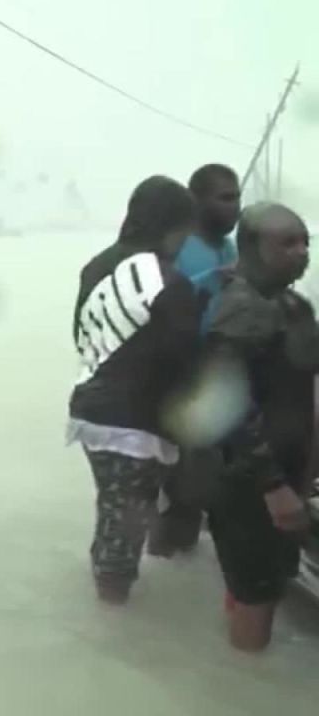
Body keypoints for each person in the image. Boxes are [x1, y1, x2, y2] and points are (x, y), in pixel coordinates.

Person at [66, 175, 202, 604]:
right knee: (124, 531)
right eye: (184, 230)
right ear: (171, 226)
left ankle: (108, 614)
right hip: (136, 427)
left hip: (89, 415)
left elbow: (81, 335)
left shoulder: (96, 265)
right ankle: (110, 618)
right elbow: (185, 363)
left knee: (114, 513)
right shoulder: (170, 281)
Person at [202, 203, 316, 652]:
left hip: (290, 471)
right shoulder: (239, 310)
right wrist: (275, 488)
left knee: (266, 582)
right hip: (249, 482)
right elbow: (229, 409)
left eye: (306, 241)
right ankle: (244, 683)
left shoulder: (292, 305)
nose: (302, 252)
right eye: (287, 243)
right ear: (251, 248)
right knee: (258, 595)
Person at [149, 164, 243, 557]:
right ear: (197, 202)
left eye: (237, 197)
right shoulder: (176, 249)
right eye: (225, 198)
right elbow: (156, 309)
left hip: (220, 376)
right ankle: (162, 557)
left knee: (213, 480)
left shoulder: (231, 247)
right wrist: (211, 279)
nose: (235, 206)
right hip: (179, 380)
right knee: (179, 485)